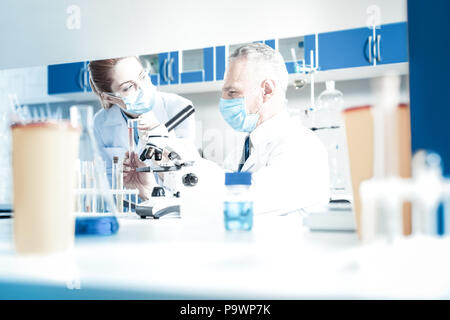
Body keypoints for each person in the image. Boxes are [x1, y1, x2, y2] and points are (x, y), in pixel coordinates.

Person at [219, 43, 330, 213]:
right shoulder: (239, 153)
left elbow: (249, 200)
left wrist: (193, 169)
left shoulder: (302, 145)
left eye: (232, 92)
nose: (224, 101)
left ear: (267, 90)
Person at [88, 56, 196, 191]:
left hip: (173, 207)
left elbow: (192, 180)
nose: (142, 88)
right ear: (109, 97)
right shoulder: (100, 123)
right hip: (128, 208)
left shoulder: (179, 107)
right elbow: (106, 184)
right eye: (128, 87)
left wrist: (164, 144)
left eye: (142, 76)